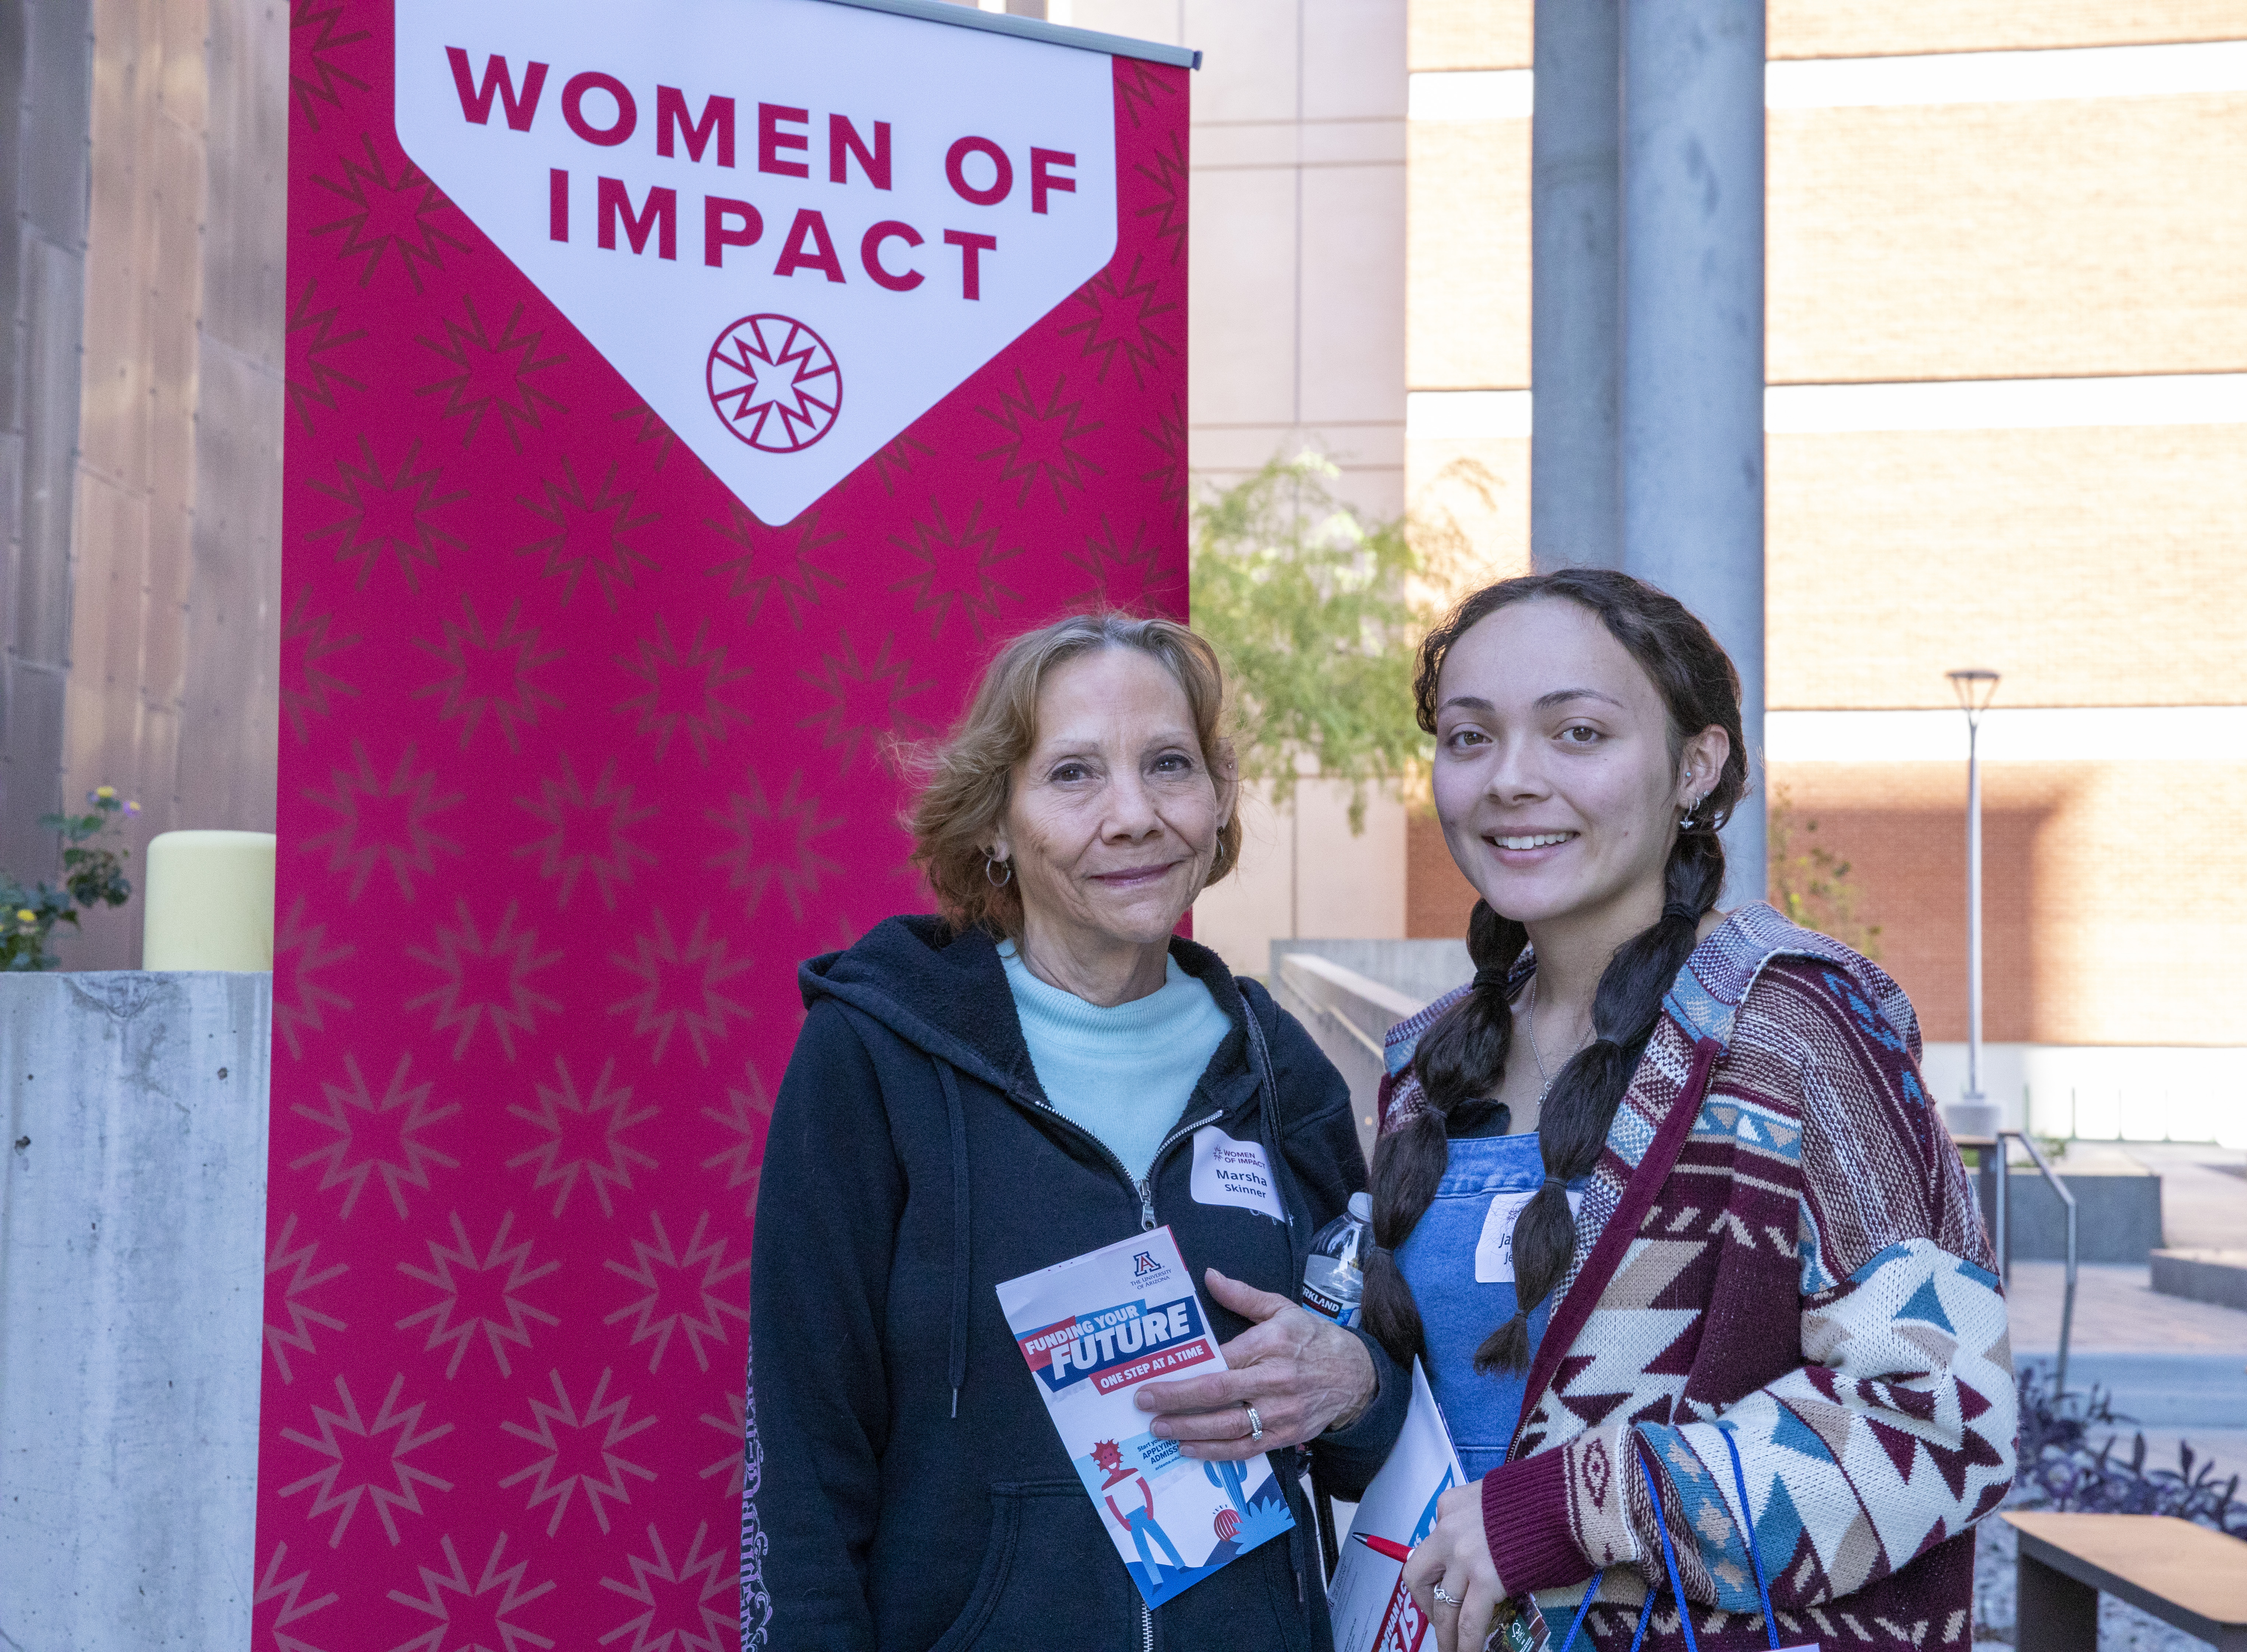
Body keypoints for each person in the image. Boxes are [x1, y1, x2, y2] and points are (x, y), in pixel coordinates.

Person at [1313, 570, 2018, 1651]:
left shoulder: (1794, 1034)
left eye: (1578, 735)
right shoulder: (1425, 1067)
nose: (1511, 780)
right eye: (1469, 738)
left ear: (1698, 766)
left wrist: (1572, 1511)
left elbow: (1943, 1415)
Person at [742, 612, 1411, 1652]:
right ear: (996, 824)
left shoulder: (1284, 1076)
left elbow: (1370, 1453)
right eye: (1073, 776)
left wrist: (1355, 1383)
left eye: (1170, 766)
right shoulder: (873, 1060)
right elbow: (803, 1462)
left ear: (1219, 800)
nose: (1134, 815)